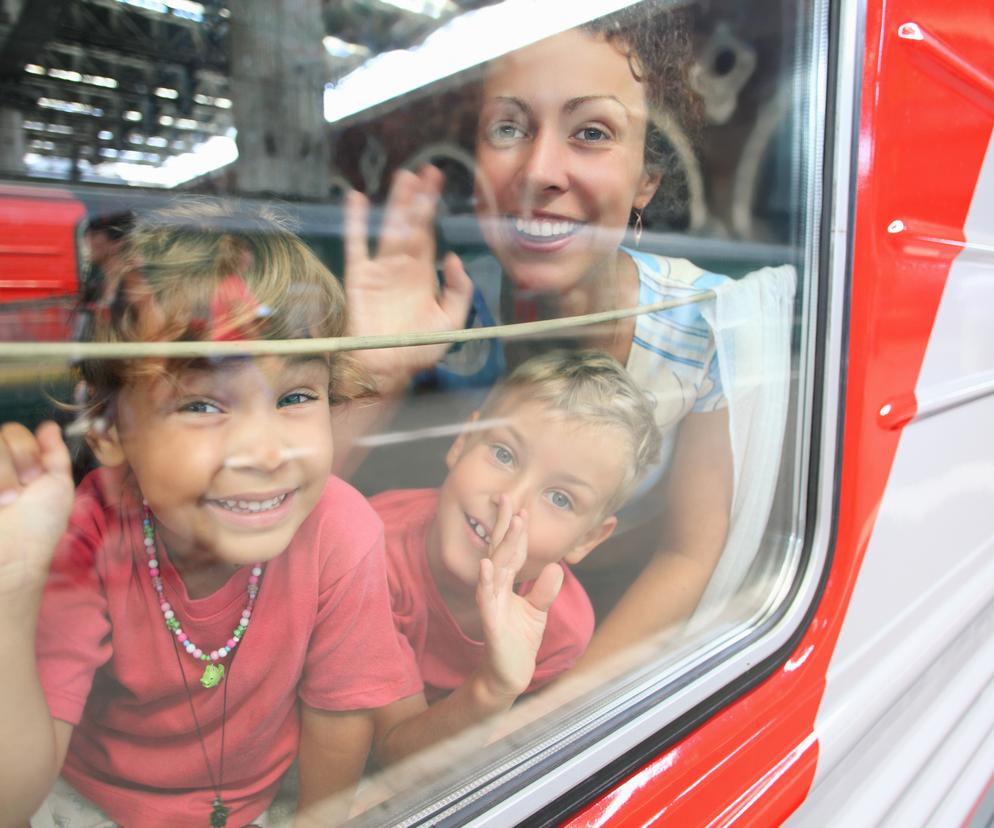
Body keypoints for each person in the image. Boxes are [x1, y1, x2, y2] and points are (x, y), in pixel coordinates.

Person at [0, 202, 421, 827]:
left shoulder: (340, 529)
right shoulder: (88, 536)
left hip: (262, 804)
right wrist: (13, 586)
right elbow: (13, 801)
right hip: (91, 803)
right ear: (110, 428)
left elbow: (338, 717)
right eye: (201, 405)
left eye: (296, 396)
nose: (266, 452)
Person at [343, 4, 734, 663]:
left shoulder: (704, 324)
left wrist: (547, 718)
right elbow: (293, 518)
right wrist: (377, 369)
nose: (538, 171)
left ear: (646, 180)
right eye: (508, 128)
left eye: (592, 132)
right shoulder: (445, 309)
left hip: (612, 633)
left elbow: (688, 552)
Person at [369, 351, 662, 763]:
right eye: (504, 454)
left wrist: (499, 685)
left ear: (588, 539)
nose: (510, 501)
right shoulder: (369, 555)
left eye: (560, 498)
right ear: (462, 443)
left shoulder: (559, 632)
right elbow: (389, 751)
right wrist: (491, 688)